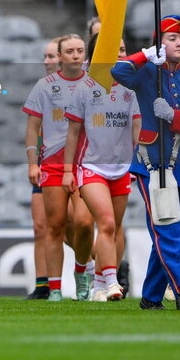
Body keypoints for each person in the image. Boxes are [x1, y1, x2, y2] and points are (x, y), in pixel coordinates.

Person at [111, 15, 180, 310]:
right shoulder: (146, 74)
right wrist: (145, 55)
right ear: (159, 43)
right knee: (167, 226)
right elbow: (117, 71)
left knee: (172, 233)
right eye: (172, 38)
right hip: (154, 162)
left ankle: (151, 297)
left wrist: (173, 116)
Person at [63, 38, 140, 302]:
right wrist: (67, 170)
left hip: (121, 170)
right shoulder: (84, 88)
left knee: (114, 226)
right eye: (113, 49)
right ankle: (111, 282)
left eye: (122, 49)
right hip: (91, 167)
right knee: (105, 222)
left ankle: (98, 286)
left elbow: (137, 130)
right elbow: (72, 133)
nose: (119, 54)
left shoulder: (131, 90)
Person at [22, 35, 96, 302]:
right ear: (61, 56)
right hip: (52, 164)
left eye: (80, 51)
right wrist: (33, 163)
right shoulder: (45, 86)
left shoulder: (94, 85)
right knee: (54, 226)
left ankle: (81, 271)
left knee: (84, 222)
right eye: (70, 51)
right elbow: (31, 128)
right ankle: (54, 288)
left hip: (85, 163)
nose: (76, 55)